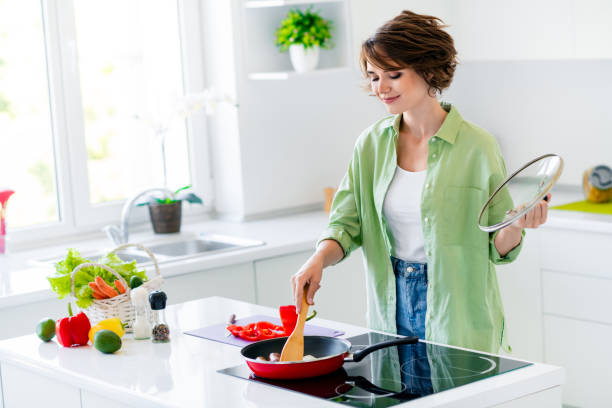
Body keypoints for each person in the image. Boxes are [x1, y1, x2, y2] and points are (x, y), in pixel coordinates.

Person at [290, 10, 549, 354]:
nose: (380, 88)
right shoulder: (370, 144)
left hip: (458, 317)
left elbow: (497, 247)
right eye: (373, 77)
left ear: (429, 70)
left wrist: (517, 224)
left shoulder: (479, 147)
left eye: (393, 75)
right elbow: (346, 225)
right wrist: (318, 258)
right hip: (389, 311)